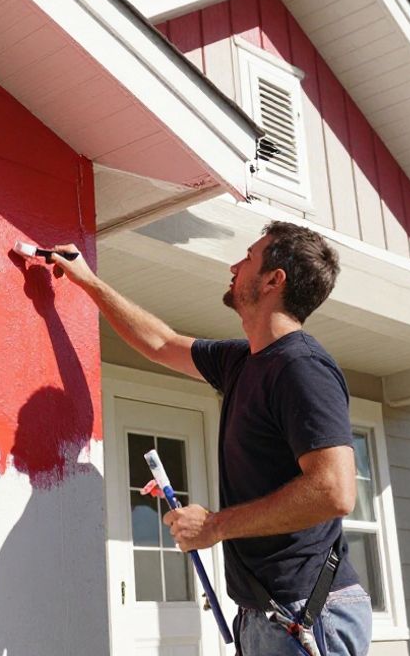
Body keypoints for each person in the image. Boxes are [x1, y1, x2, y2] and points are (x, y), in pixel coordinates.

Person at [46, 221, 371, 655]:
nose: (234, 266)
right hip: (268, 614)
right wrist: (88, 281)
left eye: (249, 258)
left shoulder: (302, 367)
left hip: (306, 614)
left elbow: (334, 490)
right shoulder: (242, 362)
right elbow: (160, 343)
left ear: (274, 280)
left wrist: (215, 525)